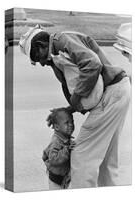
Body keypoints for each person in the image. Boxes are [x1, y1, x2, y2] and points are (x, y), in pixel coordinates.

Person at [19, 25, 131, 188]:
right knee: (107, 160)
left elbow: (92, 64)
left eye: (38, 58)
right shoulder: (59, 47)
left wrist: (76, 98)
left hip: (111, 95)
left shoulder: (61, 42)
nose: (41, 63)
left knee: (81, 157)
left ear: (41, 46)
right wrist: (68, 109)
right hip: (119, 91)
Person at [42, 107, 75, 190]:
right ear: (57, 127)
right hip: (55, 179)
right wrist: (67, 150)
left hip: (63, 177)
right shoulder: (56, 141)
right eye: (67, 123)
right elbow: (53, 159)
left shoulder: (65, 138)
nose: (70, 125)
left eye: (72, 122)